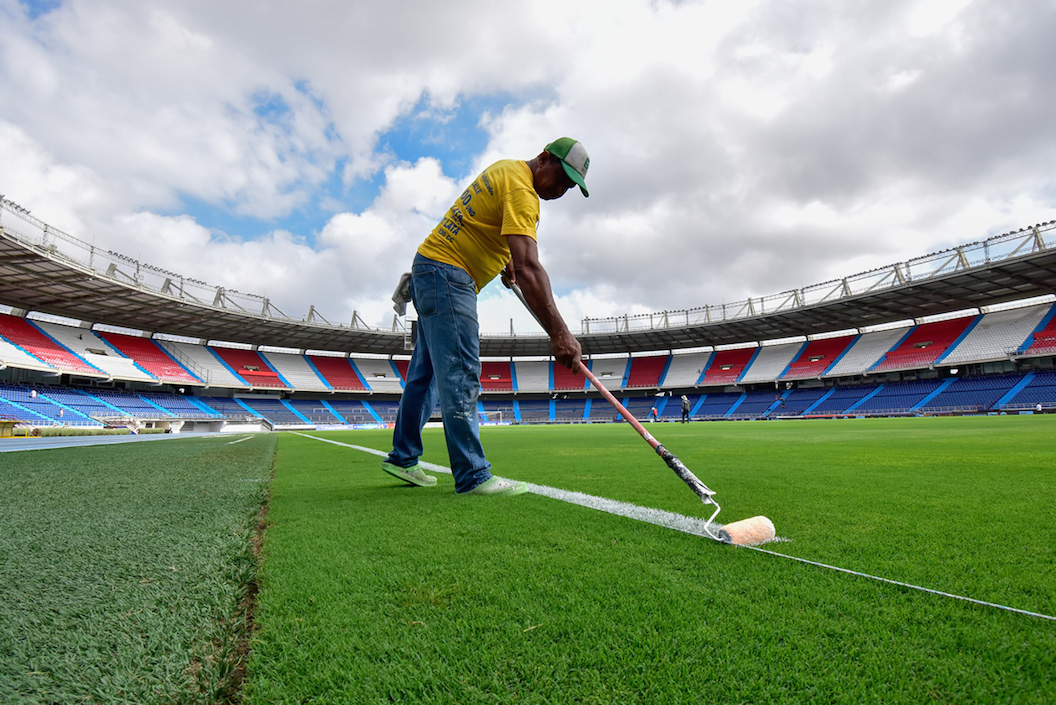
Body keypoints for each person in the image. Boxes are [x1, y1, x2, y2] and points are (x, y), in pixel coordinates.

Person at [382, 137, 589, 496]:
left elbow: (484, 225)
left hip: (428, 270)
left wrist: (503, 260)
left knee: (426, 374)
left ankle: (403, 457)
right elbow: (529, 267)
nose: (562, 190)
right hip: (449, 275)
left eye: (570, 186)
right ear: (544, 159)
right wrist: (561, 333)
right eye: (562, 178)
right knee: (461, 371)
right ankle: (473, 475)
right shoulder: (523, 193)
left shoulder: (506, 169)